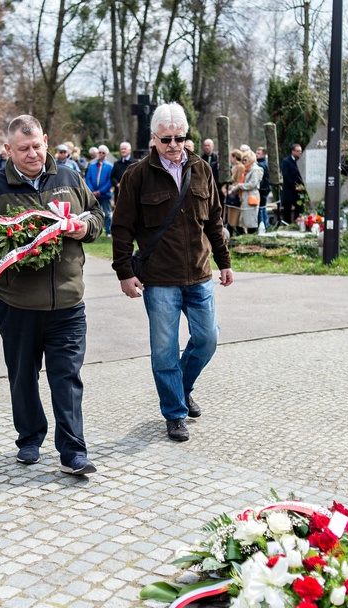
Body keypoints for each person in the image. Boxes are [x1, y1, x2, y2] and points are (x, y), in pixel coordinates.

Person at [0, 114, 104, 476]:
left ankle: (73, 451)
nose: (33, 153)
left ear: (47, 140)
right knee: (22, 375)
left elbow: (97, 215)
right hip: (17, 304)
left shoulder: (69, 177)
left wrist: (84, 227)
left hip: (68, 301)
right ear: (7, 149)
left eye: (37, 145)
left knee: (67, 376)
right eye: (23, 148)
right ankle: (29, 437)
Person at [111, 102, 233, 443]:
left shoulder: (202, 170)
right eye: (166, 139)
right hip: (159, 278)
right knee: (164, 350)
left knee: (208, 339)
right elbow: (121, 228)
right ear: (153, 139)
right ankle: (174, 413)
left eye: (180, 138)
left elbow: (215, 221)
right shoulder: (136, 176)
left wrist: (224, 262)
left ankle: (181, 388)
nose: (174, 145)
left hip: (199, 273)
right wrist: (124, 271)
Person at [228, 150, 263, 233]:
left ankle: (252, 235)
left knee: (251, 219)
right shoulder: (246, 170)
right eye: (243, 160)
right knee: (245, 220)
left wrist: (240, 186)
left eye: (245, 160)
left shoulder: (256, 169)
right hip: (244, 196)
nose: (243, 162)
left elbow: (252, 184)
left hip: (251, 196)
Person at [85, 144, 113, 237]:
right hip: (93, 195)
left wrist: (100, 191)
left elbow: (110, 180)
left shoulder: (109, 166)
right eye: (99, 152)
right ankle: (95, 231)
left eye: (103, 153)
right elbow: (88, 178)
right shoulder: (92, 165)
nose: (101, 154)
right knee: (94, 213)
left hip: (105, 195)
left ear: (106, 154)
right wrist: (92, 191)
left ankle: (108, 231)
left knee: (108, 214)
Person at [280, 143, 304, 224]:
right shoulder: (286, 161)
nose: (300, 153)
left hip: (300, 189)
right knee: (287, 208)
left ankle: (298, 223)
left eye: (301, 151)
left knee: (299, 207)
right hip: (289, 189)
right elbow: (286, 176)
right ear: (292, 151)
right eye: (298, 151)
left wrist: (302, 186)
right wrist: (294, 186)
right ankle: (287, 224)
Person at [256, 147, 271, 230]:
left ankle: (263, 225)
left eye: (259, 153)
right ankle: (266, 225)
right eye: (256, 153)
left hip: (262, 189)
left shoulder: (260, 165)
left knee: (261, 209)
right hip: (266, 189)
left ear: (263, 154)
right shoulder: (266, 163)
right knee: (263, 208)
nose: (256, 154)